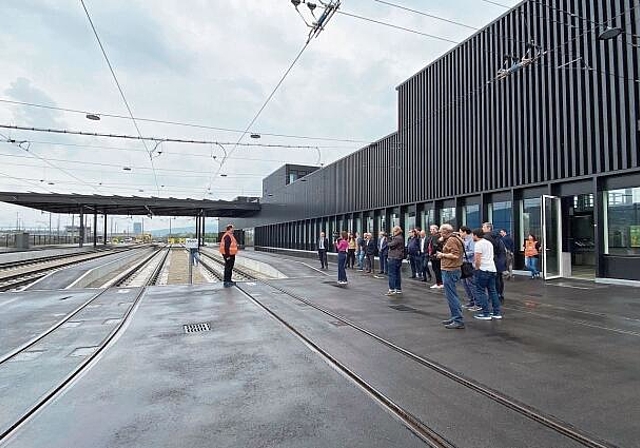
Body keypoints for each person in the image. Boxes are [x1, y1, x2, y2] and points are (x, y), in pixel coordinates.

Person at [437, 224, 465, 329]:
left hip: (450, 269)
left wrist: (442, 255)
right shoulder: (455, 238)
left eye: (440, 232)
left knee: (451, 296)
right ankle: (455, 317)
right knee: (451, 295)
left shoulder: (452, 240)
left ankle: (458, 319)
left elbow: (455, 255)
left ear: (445, 232)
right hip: (452, 269)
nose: (439, 233)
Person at [471, 228, 502, 320]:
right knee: (492, 291)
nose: (472, 236)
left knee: (480, 291)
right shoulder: (488, 243)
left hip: (482, 269)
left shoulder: (478, 244)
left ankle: (486, 313)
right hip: (492, 268)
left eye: (473, 235)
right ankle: (496, 312)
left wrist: (476, 268)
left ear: (476, 235)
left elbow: (477, 259)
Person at [482, 222, 507, 303]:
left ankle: (494, 296)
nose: (482, 229)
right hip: (499, 261)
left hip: (492, 261)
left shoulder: (486, 238)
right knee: (499, 278)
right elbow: (502, 251)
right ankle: (499, 294)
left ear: (489, 228)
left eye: (483, 227)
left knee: (492, 280)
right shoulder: (498, 239)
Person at [459, 226, 479, 311]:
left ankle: (477, 303)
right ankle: (471, 301)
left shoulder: (471, 240)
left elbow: (472, 251)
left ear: (464, 232)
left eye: (460, 232)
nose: (460, 234)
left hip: (469, 264)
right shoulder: (464, 240)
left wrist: (462, 254)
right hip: (463, 264)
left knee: (471, 283)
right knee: (465, 283)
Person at [386, 226, 404, 295]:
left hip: (394, 257)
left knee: (392, 274)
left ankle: (392, 289)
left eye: (393, 231)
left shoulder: (397, 238)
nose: (393, 233)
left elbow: (390, 245)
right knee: (397, 273)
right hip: (398, 257)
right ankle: (398, 288)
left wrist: (388, 239)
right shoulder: (400, 237)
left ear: (396, 231)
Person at [427, 225, 444, 289]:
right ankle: (440, 282)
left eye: (431, 229)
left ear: (435, 229)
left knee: (436, 269)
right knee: (437, 269)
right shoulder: (438, 236)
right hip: (436, 255)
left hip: (435, 256)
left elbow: (435, 246)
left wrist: (431, 253)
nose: (430, 230)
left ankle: (439, 283)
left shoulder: (436, 236)